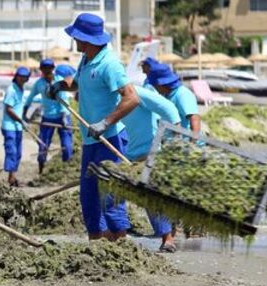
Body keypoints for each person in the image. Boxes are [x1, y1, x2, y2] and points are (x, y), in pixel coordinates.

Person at [66, 13, 140, 241]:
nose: (74, 41)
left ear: (86, 39)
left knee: (109, 195)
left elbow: (132, 98)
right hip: (91, 141)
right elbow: (77, 83)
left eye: (76, 37)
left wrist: (105, 122)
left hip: (110, 139)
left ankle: (121, 243)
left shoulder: (109, 64)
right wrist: (59, 86)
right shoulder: (86, 59)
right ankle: (96, 243)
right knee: (88, 195)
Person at [121, 81, 182, 252]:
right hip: (126, 154)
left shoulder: (138, 93)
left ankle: (167, 238)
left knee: (150, 197)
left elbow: (169, 109)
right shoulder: (109, 98)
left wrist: (177, 139)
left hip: (148, 153)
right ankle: (120, 233)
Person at [22, 59, 74, 173]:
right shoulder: (39, 83)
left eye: (49, 68)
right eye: (44, 68)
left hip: (63, 116)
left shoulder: (59, 81)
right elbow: (29, 98)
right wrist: (24, 114)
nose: (47, 71)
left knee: (66, 145)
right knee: (43, 145)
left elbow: (63, 99)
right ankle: (41, 169)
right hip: (48, 118)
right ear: (41, 70)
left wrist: (64, 116)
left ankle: (67, 171)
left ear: (52, 69)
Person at [149, 62, 200, 133]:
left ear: (161, 84)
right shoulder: (167, 95)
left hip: (184, 141)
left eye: (155, 85)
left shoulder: (182, 94)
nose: (154, 88)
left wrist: (193, 143)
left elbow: (194, 118)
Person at [2, 67, 31, 187]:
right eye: (20, 76)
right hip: (9, 126)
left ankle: (13, 177)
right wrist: (20, 120)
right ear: (16, 76)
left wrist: (24, 119)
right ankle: (11, 178)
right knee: (12, 151)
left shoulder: (21, 89)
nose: (22, 79)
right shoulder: (12, 90)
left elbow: (19, 107)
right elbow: (8, 109)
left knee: (18, 152)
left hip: (17, 127)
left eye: (25, 77)